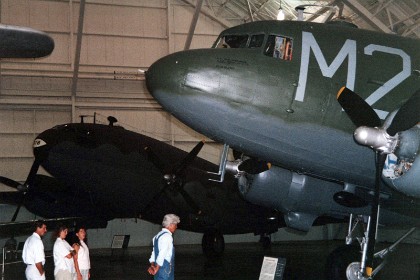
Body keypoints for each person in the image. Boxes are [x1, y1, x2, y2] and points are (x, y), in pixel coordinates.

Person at [148, 214, 180, 280]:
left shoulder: (157, 236)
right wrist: (156, 268)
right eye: (175, 224)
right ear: (171, 225)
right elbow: (162, 253)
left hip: (158, 268)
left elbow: (154, 252)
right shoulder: (167, 237)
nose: (176, 227)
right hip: (165, 269)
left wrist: (152, 265)